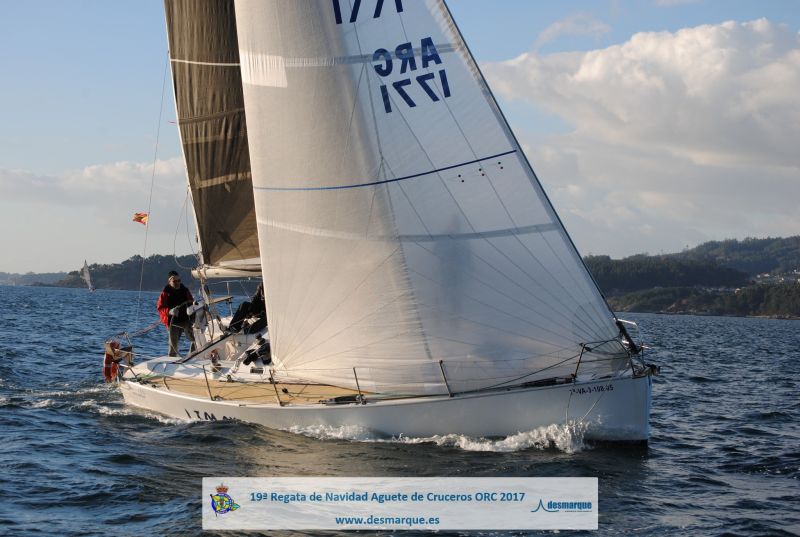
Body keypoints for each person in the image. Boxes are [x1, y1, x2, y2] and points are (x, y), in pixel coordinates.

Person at [156, 270, 196, 357]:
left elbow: (191, 302)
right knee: (173, 345)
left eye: (179, 280)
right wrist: (170, 311)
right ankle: (172, 360)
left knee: (195, 339)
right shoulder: (165, 293)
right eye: (174, 281)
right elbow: (160, 308)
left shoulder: (185, 290)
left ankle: (192, 356)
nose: (177, 283)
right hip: (173, 322)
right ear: (169, 281)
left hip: (186, 320)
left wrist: (195, 308)